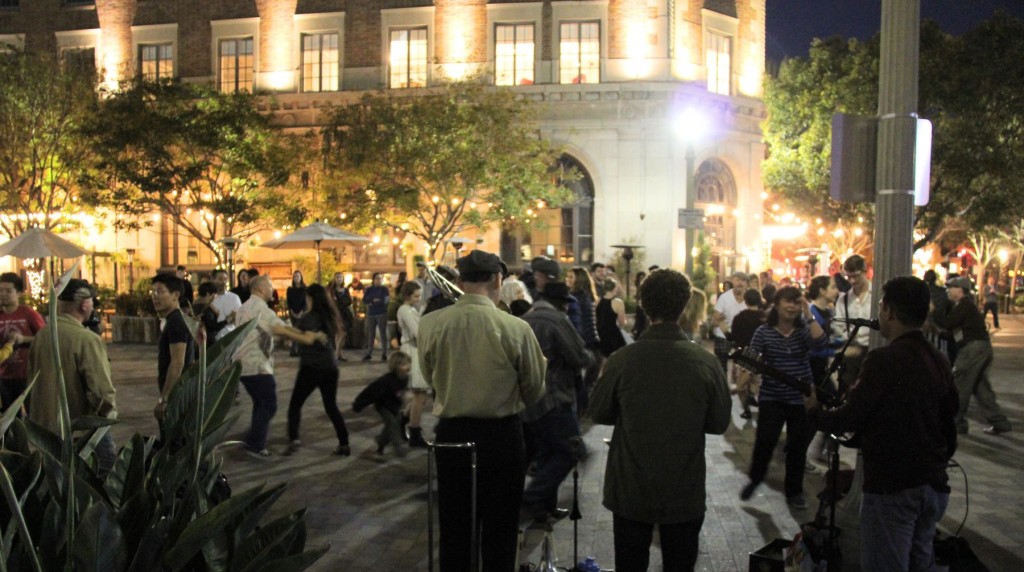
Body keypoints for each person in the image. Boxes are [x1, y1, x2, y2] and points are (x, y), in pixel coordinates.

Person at [807, 276, 959, 571]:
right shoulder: (938, 359)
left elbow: (849, 419)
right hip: (933, 486)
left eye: (881, 305)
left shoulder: (883, 360)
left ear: (889, 310)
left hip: (894, 487)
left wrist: (815, 412)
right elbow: (949, 420)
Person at [590, 269, 731, 572]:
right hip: (683, 485)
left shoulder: (623, 360)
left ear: (642, 304)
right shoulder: (704, 362)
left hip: (631, 486)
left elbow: (599, 411)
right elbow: (719, 422)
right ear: (684, 305)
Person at [418, 249, 546, 572]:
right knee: (501, 528)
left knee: (455, 527)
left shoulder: (431, 323)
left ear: (460, 279)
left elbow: (429, 375)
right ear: (497, 279)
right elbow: (534, 389)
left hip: (452, 434)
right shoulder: (516, 328)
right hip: (501, 435)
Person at [740, 286, 825, 509]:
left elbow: (820, 342)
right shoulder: (763, 332)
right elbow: (751, 359)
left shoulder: (803, 329)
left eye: (796, 302)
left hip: (800, 398)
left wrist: (809, 314)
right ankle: (756, 478)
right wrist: (745, 380)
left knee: (797, 447)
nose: (792, 306)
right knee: (765, 440)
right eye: (787, 301)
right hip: (772, 396)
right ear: (776, 304)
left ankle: (794, 491)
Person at [520, 281, 594, 527]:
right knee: (572, 450)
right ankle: (533, 497)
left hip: (529, 399)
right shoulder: (557, 321)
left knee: (547, 452)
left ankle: (544, 510)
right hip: (554, 398)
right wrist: (591, 357)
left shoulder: (525, 320)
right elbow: (579, 356)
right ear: (560, 302)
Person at [28, 279, 117, 475]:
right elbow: (100, 391)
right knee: (103, 478)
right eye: (92, 302)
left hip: (44, 428)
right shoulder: (86, 339)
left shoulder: (42, 335)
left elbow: (31, 381)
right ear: (85, 304)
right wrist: (109, 414)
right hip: (81, 430)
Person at [233, 275, 327, 458]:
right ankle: (254, 445)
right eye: (270, 286)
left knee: (260, 403)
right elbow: (279, 328)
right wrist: (309, 337)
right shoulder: (261, 308)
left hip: (244, 364)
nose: (272, 289)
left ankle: (252, 440)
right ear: (260, 289)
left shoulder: (244, 307)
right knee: (269, 404)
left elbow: (267, 332)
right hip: (256, 364)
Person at [934, 277, 1012, 436]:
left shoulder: (964, 305)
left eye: (951, 287)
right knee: (980, 387)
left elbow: (948, 323)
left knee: (960, 384)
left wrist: (932, 310)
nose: (948, 290)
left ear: (960, 290)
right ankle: (999, 421)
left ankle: (956, 423)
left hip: (973, 349)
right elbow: (952, 331)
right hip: (980, 348)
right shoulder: (963, 306)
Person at [286, 284, 351, 456]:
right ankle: (344, 443)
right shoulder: (329, 316)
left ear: (312, 298)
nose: (306, 301)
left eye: (307, 298)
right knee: (331, 406)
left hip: (311, 367)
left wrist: (279, 329)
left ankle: (294, 440)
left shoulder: (310, 318)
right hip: (330, 367)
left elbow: (298, 335)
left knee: (295, 404)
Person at [151, 273, 196, 425]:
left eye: (159, 291)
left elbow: (177, 362)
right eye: (153, 292)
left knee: (174, 442)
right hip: (179, 393)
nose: (154, 297)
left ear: (175, 295)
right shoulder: (173, 319)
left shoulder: (176, 321)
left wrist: (164, 399)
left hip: (178, 396)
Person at [0, 272, 44, 414]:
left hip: (27, 375)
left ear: (19, 293)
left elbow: (46, 338)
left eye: (8, 291)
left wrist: (23, 339)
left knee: (33, 413)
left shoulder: (28, 313)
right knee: (9, 416)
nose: (3, 294)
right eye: (0, 290)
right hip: (3, 375)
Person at [352, 352, 412, 458]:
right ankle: (398, 447)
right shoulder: (386, 380)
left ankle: (381, 441)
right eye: (403, 364)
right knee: (393, 424)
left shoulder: (405, 378)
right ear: (396, 366)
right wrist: (359, 404)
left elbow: (400, 393)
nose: (407, 367)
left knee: (391, 427)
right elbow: (370, 391)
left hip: (395, 406)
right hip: (383, 406)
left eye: (408, 364)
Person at [396, 281, 429, 448]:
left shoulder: (410, 310)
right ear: (408, 295)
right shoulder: (405, 310)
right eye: (416, 296)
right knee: (420, 394)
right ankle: (414, 431)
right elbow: (417, 332)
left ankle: (404, 421)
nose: (418, 299)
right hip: (412, 351)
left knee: (419, 394)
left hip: (414, 350)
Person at [832, 255, 871, 393]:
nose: (852, 281)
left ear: (865, 271)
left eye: (856, 276)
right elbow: (839, 325)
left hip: (873, 350)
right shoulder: (844, 299)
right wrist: (847, 340)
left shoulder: (876, 295)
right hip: (853, 350)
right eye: (849, 277)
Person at [729, 288, 766, 419]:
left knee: (740, 386)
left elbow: (733, 337)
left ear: (745, 301)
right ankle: (752, 398)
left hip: (745, 355)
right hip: (762, 357)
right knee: (756, 383)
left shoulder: (739, 318)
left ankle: (746, 409)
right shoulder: (765, 318)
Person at [711, 271, 749, 375]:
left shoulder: (749, 298)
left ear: (746, 283)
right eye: (737, 279)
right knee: (721, 367)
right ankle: (722, 387)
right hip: (723, 335)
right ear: (732, 281)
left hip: (742, 337)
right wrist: (719, 319)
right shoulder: (724, 297)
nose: (740, 283)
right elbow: (715, 318)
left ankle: (739, 386)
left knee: (744, 368)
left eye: (743, 280)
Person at [596, 277, 628, 357]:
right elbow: (621, 323)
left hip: (600, 334)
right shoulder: (618, 303)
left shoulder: (597, 301)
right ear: (615, 288)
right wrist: (625, 323)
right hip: (613, 335)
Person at [362, 273, 389, 361]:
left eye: (381, 278)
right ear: (373, 280)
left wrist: (373, 301)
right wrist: (373, 300)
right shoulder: (369, 289)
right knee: (371, 334)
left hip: (381, 313)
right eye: (377, 278)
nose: (379, 280)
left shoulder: (384, 289)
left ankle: (384, 353)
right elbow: (365, 300)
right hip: (371, 313)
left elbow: (385, 300)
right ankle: (369, 353)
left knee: (382, 333)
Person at [210, 269, 241, 342]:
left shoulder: (234, 298)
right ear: (214, 280)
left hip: (230, 336)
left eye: (225, 279)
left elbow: (239, 316)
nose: (223, 282)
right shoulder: (210, 299)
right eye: (220, 279)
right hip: (213, 339)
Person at [193, 282, 226, 348]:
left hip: (196, 342)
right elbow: (212, 325)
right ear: (208, 294)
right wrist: (227, 320)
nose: (214, 298)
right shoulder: (206, 308)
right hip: (206, 343)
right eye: (214, 295)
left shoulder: (193, 305)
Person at [331, 272, 353, 357]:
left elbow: (349, 301)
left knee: (343, 333)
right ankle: (337, 353)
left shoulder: (345, 289)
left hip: (345, 314)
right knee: (339, 333)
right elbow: (333, 303)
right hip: (336, 314)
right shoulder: (332, 291)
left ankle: (339, 354)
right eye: (337, 277)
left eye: (340, 277)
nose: (339, 279)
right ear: (334, 279)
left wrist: (340, 301)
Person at [286, 270, 307, 356]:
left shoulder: (305, 289)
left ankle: (294, 350)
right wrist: (292, 312)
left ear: (301, 277)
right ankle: (295, 350)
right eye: (295, 276)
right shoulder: (290, 289)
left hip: (302, 312)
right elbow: (289, 302)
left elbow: (306, 302)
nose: (296, 278)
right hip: (293, 313)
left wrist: (301, 312)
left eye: (298, 276)